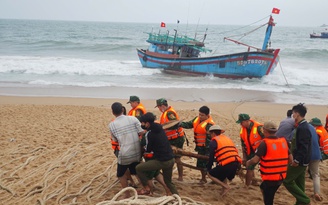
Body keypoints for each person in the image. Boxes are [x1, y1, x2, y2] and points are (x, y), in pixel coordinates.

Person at [246, 121, 291, 205]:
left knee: (268, 199)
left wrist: (248, 162)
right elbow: (290, 159)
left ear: (264, 130)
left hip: (270, 177)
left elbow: (255, 160)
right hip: (281, 176)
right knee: (263, 187)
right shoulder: (283, 142)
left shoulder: (264, 143)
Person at [136, 112, 179, 195]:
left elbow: (148, 149)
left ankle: (146, 187)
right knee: (168, 182)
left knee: (139, 168)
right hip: (171, 159)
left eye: (142, 123)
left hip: (162, 161)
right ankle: (177, 196)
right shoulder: (160, 128)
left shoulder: (149, 133)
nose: (142, 125)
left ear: (147, 123)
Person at [108, 102, 144, 198]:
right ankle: (145, 188)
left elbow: (115, 140)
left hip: (125, 153)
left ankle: (127, 194)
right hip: (137, 152)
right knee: (136, 170)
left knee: (120, 173)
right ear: (123, 110)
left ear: (113, 112)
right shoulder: (133, 118)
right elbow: (142, 132)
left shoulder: (112, 125)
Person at [283, 103, 312, 205]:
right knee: (300, 184)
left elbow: (304, 147)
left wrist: (297, 160)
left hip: (300, 161)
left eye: (294, 113)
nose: (293, 115)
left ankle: (305, 200)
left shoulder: (303, 127)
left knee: (287, 180)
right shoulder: (302, 126)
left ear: (297, 114)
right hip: (303, 160)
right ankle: (301, 202)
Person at [180, 105, 215, 183]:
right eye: (199, 114)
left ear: (207, 115)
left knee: (207, 164)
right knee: (200, 164)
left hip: (206, 147)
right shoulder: (196, 119)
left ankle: (212, 178)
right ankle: (203, 178)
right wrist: (179, 124)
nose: (200, 116)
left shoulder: (210, 125)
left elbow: (211, 139)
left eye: (202, 115)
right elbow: (188, 124)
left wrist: (208, 150)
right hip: (199, 146)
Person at [155, 98, 185, 181]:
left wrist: (163, 127)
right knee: (173, 157)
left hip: (176, 138)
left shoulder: (169, 113)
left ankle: (180, 177)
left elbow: (174, 123)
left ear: (162, 106)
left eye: (159, 107)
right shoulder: (165, 112)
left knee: (177, 157)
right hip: (171, 138)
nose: (159, 109)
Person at [207, 125, 242, 196]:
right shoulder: (227, 139)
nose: (210, 136)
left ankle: (225, 186)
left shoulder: (213, 142)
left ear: (213, 133)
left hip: (227, 164)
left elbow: (211, 157)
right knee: (223, 174)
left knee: (210, 174)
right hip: (236, 162)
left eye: (210, 134)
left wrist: (208, 168)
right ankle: (223, 191)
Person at [236, 113, 264, 186]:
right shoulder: (242, 130)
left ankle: (247, 185)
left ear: (247, 121)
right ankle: (253, 182)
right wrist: (244, 157)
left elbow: (267, 139)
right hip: (250, 151)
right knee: (249, 166)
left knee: (250, 167)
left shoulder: (259, 128)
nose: (240, 124)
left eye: (242, 122)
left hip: (261, 151)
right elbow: (243, 144)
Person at [307, 120, 323, 201]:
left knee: (301, 174)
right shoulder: (314, 131)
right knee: (316, 175)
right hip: (317, 154)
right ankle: (317, 192)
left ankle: (301, 193)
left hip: (307, 155)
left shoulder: (301, 129)